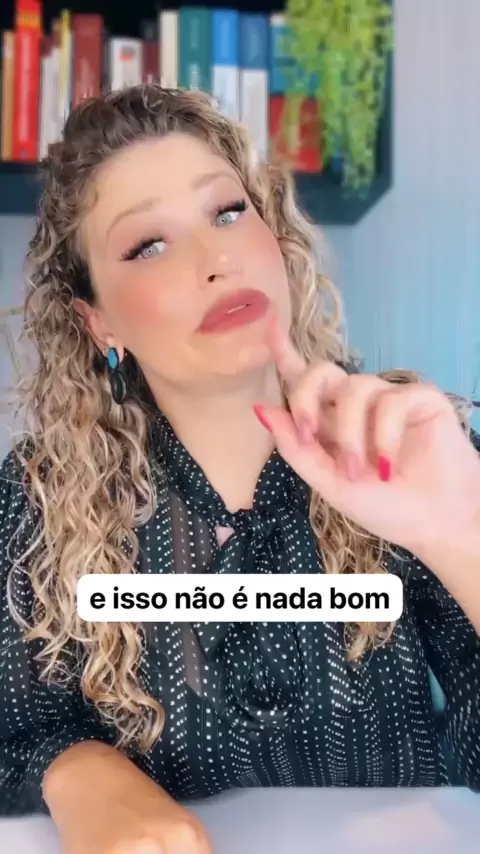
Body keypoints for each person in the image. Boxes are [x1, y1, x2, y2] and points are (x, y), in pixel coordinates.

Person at [0, 84, 479, 854]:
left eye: (227, 212)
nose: (216, 258)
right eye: (148, 245)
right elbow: (17, 731)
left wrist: (464, 532)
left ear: (276, 238)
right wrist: (78, 768)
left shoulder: (412, 445)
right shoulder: (36, 498)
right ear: (98, 321)